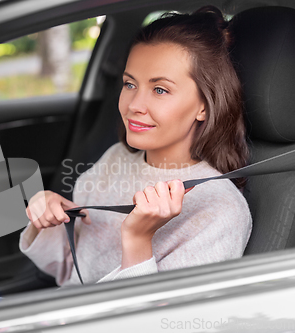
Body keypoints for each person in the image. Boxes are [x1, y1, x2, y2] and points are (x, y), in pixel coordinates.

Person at [20, 6, 252, 286]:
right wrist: (44, 217)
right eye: (130, 84)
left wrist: (138, 240)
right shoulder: (115, 159)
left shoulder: (219, 209)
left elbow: (165, 323)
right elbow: (72, 273)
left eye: (160, 90)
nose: (133, 106)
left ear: (204, 106)